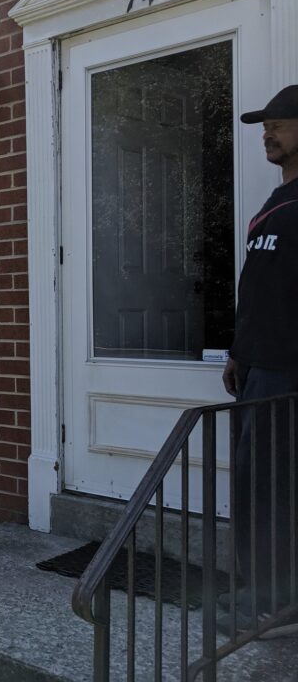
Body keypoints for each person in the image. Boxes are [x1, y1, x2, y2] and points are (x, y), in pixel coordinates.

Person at [222, 84, 298, 635]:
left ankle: (276, 606)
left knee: (272, 490)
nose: (267, 132)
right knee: (255, 485)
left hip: (288, 372)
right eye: (263, 124)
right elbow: (264, 288)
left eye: (279, 122)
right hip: (258, 369)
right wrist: (238, 351)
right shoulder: (276, 202)